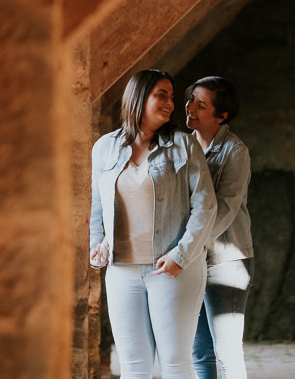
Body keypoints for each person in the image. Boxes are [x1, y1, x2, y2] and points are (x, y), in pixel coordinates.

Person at [90, 69, 217, 379]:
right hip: (122, 272)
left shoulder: (184, 145)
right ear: (138, 97)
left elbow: (205, 207)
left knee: (175, 364)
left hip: (173, 270)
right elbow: (97, 205)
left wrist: (181, 255)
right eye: (162, 95)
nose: (170, 103)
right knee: (133, 367)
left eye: (171, 97)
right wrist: (97, 244)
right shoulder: (104, 147)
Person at [185, 76, 254, 379]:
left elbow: (226, 207)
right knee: (199, 351)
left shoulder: (235, 151)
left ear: (221, 116)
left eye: (201, 105)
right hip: (192, 258)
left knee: (227, 351)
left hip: (226, 261)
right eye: (191, 100)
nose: (190, 108)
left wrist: (190, 245)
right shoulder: (183, 146)